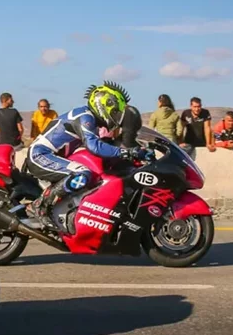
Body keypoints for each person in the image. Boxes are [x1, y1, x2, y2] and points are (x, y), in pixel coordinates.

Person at [24, 81, 152, 230]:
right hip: (40, 154)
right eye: (115, 112)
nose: (116, 117)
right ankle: (39, 206)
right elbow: (94, 146)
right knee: (82, 174)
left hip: (49, 155)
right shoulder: (85, 117)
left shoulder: (90, 119)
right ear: (103, 104)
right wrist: (124, 152)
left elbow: (105, 143)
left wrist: (139, 149)